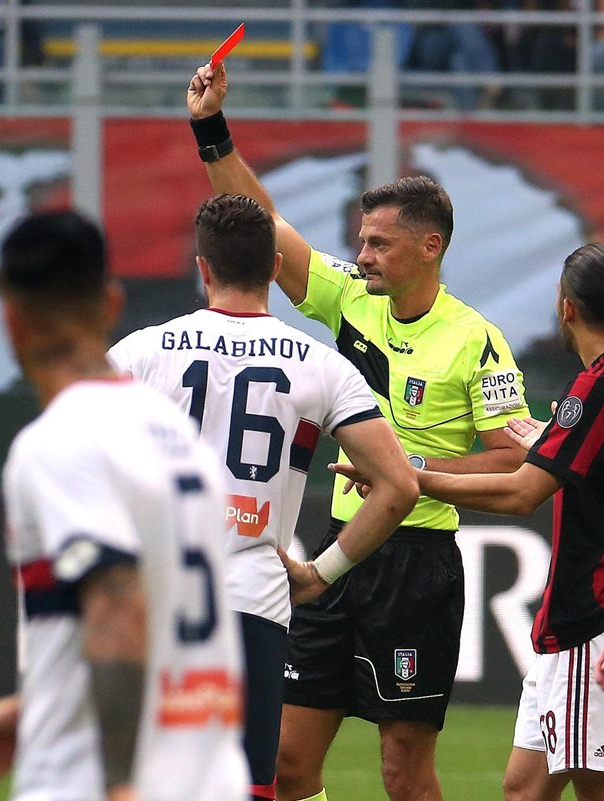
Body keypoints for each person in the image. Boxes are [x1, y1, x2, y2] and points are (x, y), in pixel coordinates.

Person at [187, 62, 531, 801]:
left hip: (418, 566)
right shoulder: (351, 298)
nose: (364, 256)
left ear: (429, 247)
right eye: (362, 242)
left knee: (404, 773)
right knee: (286, 764)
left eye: (378, 243)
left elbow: (510, 457)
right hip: (338, 552)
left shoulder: (476, 339)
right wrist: (211, 131)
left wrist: (404, 464)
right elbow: (262, 224)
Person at [108, 193, 420, 801]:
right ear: (276, 267)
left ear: (203, 267)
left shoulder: (139, 354)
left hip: (155, 599)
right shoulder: (320, 367)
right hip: (254, 598)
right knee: (250, 787)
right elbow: (399, 485)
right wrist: (321, 573)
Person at [0, 210, 249, 801]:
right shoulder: (180, 438)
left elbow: (118, 607)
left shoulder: (58, 442)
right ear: (111, 304)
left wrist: (120, 784)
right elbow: (157, 623)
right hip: (209, 779)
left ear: (10, 321)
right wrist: (40, 708)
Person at [336, 243, 604, 801]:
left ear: (567, 308)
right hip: (567, 628)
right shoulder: (585, 396)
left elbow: (522, 494)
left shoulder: (594, 388)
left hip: (590, 621)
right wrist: (550, 440)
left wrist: (404, 475)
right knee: (522, 790)